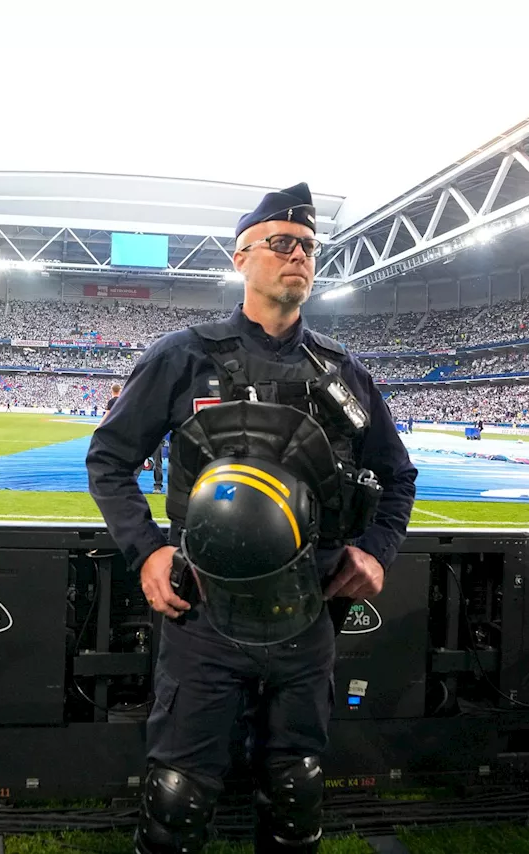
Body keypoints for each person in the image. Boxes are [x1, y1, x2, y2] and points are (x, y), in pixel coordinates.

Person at [87, 184, 417, 854]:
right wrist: (147, 550)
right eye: (281, 243)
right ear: (242, 258)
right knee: (176, 802)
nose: (297, 255)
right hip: (203, 621)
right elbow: (109, 459)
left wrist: (377, 551)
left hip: (308, 623)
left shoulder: (345, 372)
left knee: (298, 794)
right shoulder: (182, 357)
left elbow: (398, 478)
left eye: (307, 247)